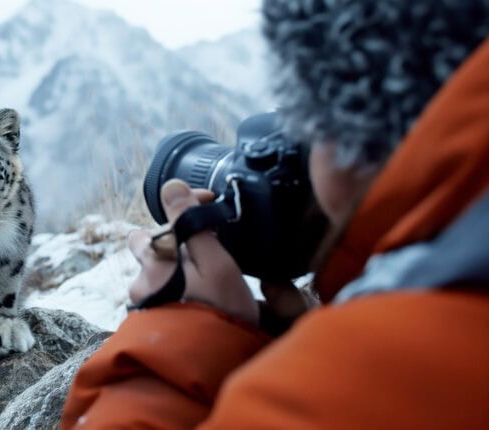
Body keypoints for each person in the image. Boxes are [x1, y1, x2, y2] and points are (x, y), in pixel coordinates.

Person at [61, 0, 489, 428]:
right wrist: (324, 338)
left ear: (349, 133)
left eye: (304, 122)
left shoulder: (342, 392)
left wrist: (176, 338)